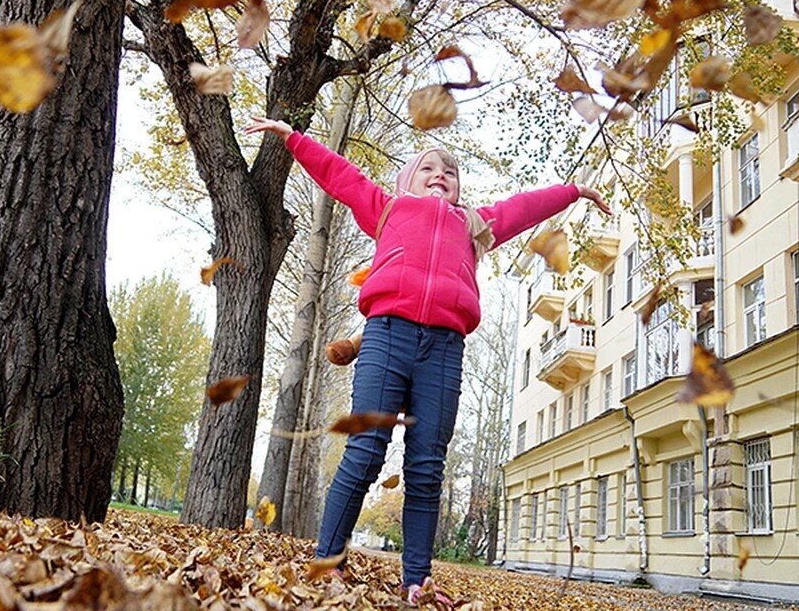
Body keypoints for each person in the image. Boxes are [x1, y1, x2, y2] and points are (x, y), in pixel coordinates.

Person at [245, 116, 611, 604]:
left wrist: (572, 192)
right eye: (428, 168)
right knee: (366, 450)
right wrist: (292, 138)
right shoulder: (386, 208)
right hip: (386, 337)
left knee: (426, 466)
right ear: (406, 181)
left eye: (450, 171)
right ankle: (327, 561)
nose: (440, 174)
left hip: (443, 350)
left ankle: (416, 579)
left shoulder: (474, 224)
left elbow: (523, 208)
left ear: (460, 189)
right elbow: (339, 174)